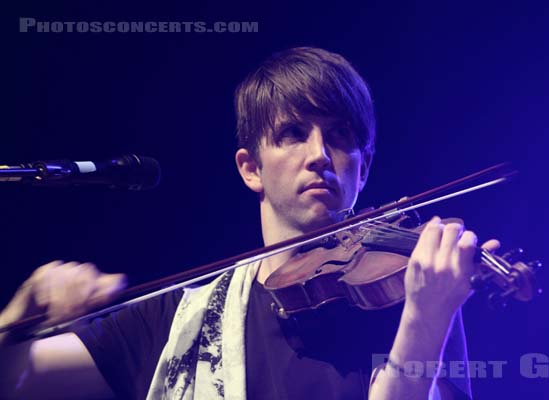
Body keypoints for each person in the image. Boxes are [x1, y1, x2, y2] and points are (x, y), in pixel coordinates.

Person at [0, 47, 500, 399]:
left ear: (363, 168)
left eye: (341, 137)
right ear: (250, 167)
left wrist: (425, 318)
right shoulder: (176, 319)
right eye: (293, 134)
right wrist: (24, 306)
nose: (320, 155)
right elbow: (13, 382)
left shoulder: (408, 297)